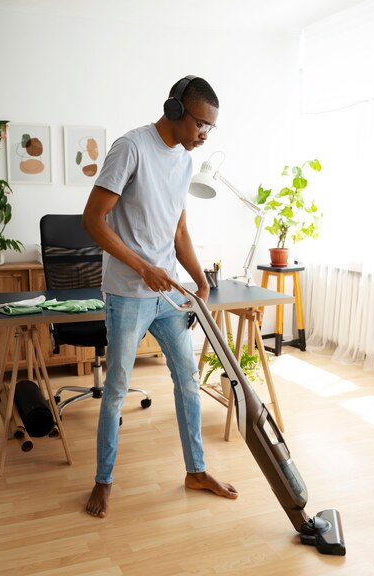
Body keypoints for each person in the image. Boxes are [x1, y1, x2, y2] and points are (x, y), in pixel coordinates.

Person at [83, 75, 238, 518]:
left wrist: (199, 278)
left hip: (166, 292)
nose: (204, 135)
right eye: (200, 125)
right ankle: (103, 480)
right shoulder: (130, 148)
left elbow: (179, 229)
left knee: (187, 381)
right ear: (174, 111)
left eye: (211, 128)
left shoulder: (184, 163)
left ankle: (195, 470)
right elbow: (93, 221)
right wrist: (142, 268)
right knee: (115, 391)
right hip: (128, 293)